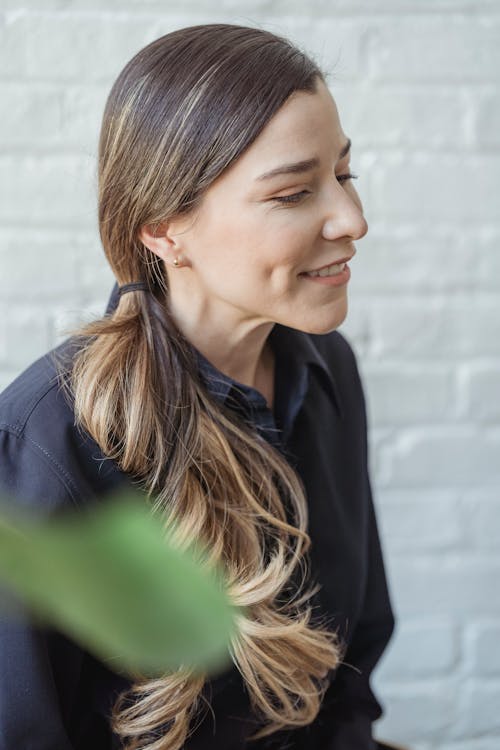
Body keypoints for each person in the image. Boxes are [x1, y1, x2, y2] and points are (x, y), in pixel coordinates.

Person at [0, 23, 396, 750]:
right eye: (293, 192)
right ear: (164, 230)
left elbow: (350, 669)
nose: (352, 219)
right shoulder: (45, 445)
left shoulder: (327, 368)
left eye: (345, 175)